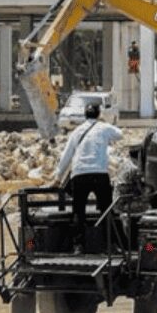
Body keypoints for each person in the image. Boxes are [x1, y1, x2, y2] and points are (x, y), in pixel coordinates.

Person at [53, 101, 122, 252]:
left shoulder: (77, 131)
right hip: (99, 173)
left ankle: (78, 246)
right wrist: (105, 124)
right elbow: (120, 135)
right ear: (98, 114)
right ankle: (112, 245)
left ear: (85, 114)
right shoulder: (103, 127)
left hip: (79, 174)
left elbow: (67, 155)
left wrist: (58, 176)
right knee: (106, 210)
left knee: (78, 211)